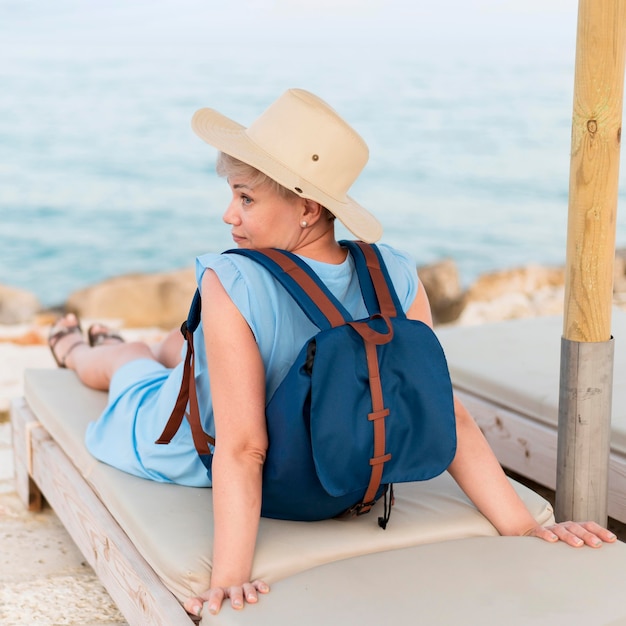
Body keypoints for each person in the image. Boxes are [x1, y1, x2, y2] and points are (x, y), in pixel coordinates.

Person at [48, 88, 616, 617]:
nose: (229, 215)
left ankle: (122, 346)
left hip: (207, 425)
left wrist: (229, 577)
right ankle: (77, 347)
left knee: (147, 367)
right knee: (140, 363)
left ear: (307, 208)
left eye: (245, 197)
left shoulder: (233, 281)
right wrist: (521, 527)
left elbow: (246, 447)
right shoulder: (394, 271)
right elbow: (445, 410)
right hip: (192, 414)